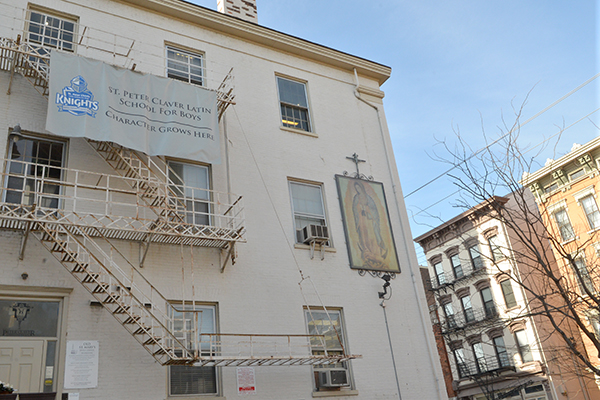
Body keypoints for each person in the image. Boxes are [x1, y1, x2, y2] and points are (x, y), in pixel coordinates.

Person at [351, 181, 388, 269]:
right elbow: (355, 210)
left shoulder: (368, 198)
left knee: (372, 237)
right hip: (362, 220)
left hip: (369, 221)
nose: (358, 190)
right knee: (364, 237)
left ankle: (375, 253)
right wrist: (360, 209)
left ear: (362, 188)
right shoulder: (356, 198)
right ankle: (367, 252)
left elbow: (374, 210)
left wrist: (367, 211)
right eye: (356, 189)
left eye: (359, 188)